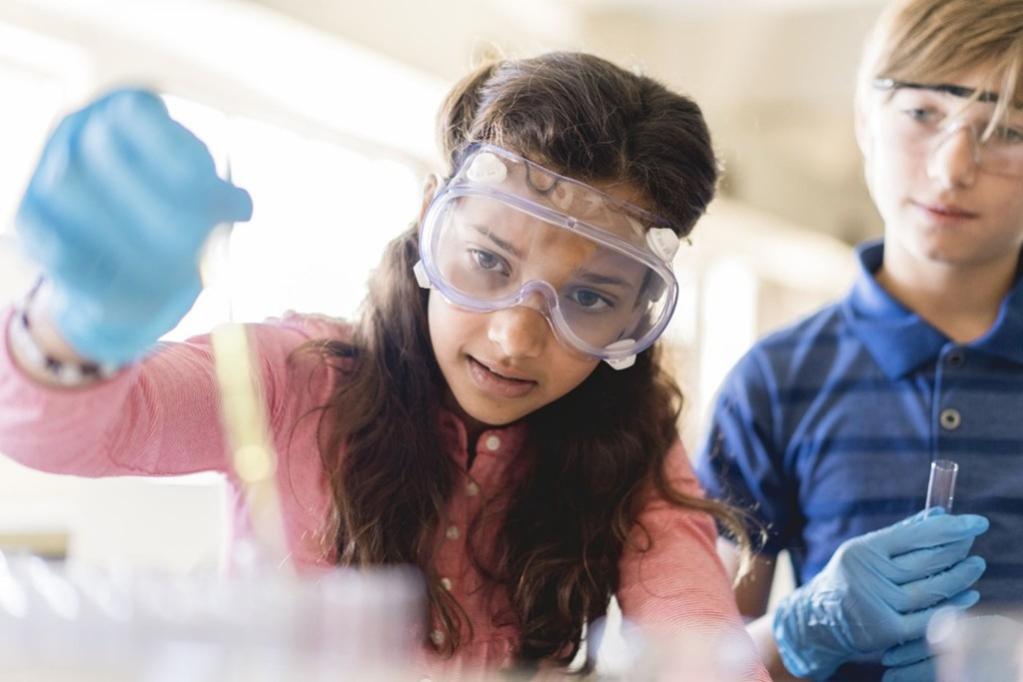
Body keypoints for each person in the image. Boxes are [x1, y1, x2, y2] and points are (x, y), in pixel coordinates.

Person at [0, 52, 770, 679]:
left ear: (638, 312)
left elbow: (694, 638)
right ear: (431, 219)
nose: (513, 339)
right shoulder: (294, 379)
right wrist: (74, 326)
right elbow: (59, 435)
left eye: (591, 300)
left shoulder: (626, 448)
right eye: (486, 261)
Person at [695, 0, 1023, 680]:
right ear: (864, 122)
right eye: (921, 113)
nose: (951, 168)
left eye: (1008, 129)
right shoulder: (772, 382)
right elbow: (693, 664)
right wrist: (803, 631)